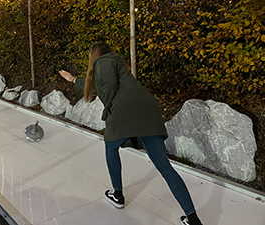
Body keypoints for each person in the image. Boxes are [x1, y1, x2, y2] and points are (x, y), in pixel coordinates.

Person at [59, 42, 203, 225]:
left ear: (94, 55)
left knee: (111, 146)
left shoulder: (101, 62)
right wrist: (72, 80)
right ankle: (193, 218)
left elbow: (108, 87)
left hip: (125, 110)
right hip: (148, 109)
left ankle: (117, 194)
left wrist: (107, 109)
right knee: (164, 166)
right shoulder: (116, 63)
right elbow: (96, 84)